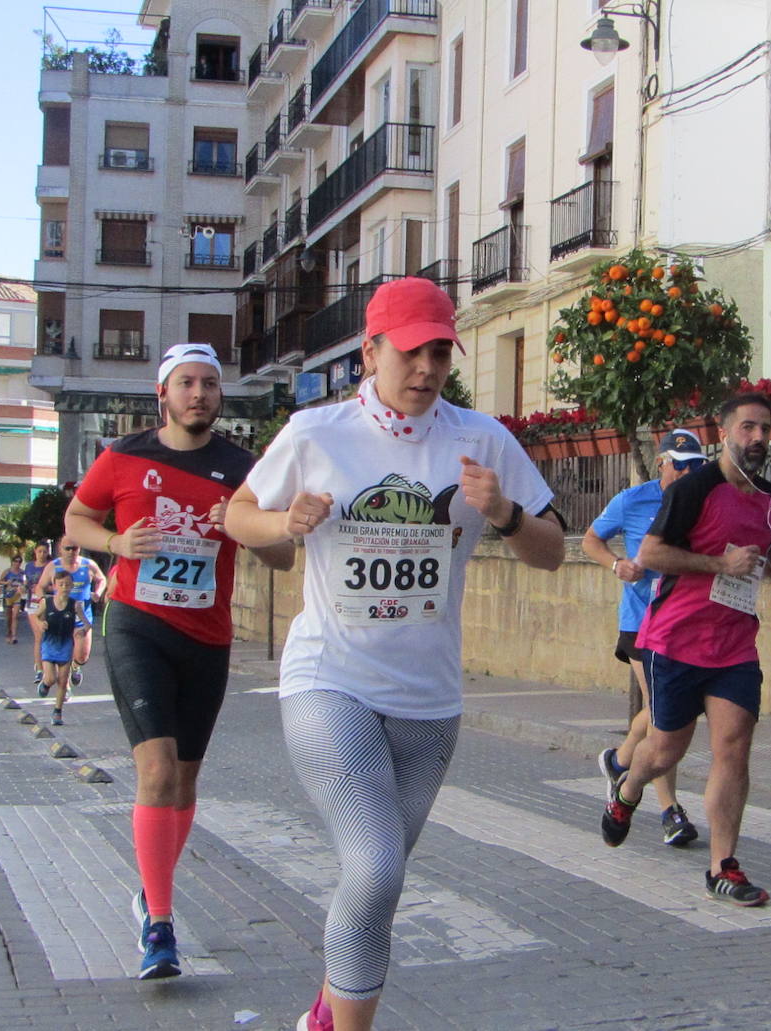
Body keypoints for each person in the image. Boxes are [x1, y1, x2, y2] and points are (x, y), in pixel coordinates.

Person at [225, 277, 566, 1031]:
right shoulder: (317, 432)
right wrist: (288, 518)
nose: (427, 368)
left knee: (375, 880)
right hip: (329, 678)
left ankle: (323, 1014)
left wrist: (505, 512)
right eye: (411, 351)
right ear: (371, 352)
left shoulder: (483, 440)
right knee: (375, 867)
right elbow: (236, 515)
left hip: (430, 702)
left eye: (440, 351)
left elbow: (553, 549)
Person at [64, 341, 294, 981]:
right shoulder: (123, 457)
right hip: (138, 625)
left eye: (210, 385)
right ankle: (160, 923)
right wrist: (115, 540)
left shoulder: (245, 470)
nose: (199, 395)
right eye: (186, 384)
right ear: (162, 394)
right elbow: (75, 521)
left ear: (220, 397)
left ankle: (150, 888)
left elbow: (282, 559)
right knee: (158, 773)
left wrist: (244, 525)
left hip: (207, 636)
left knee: (185, 782)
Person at [598, 392, 771, 909]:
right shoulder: (694, 488)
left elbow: (762, 556)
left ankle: (723, 866)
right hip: (676, 639)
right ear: (724, 434)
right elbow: (650, 554)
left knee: (734, 747)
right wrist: (720, 564)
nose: (759, 438)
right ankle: (628, 789)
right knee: (665, 750)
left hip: (735, 643)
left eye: (765, 429)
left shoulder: (768, 497)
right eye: (748, 428)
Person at [583, 429, 708, 847]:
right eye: (683, 464)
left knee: (663, 713)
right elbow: (590, 540)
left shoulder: (703, 499)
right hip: (641, 620)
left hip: (684, 619)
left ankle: (619, 761)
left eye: (698, 466)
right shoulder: (632, 500)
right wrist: (616, 564)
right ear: (663, 463)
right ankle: (670, 810)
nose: (690, 473)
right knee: (666, 713)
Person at [36, 536, 108, 689]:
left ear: (79, 548)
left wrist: (98, 592)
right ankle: (65, 686)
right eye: (67, 548)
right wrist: (44, 602)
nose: (70, 552)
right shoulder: (53, 567)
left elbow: (102, 579)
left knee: (82, 656)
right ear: (60, 549)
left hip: (82, 617)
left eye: (74, 548)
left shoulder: (88, 565)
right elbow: (41, 586)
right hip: (60, 617)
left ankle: (76, 666)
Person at [30, 569, 87, 726]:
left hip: (66, 645)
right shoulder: (46, 603)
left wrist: (83, 631)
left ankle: (57, 712)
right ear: (55, 585)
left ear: (72, 586)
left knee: (62, 681)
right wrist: (40, 623)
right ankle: (45, 683)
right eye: (61, 584)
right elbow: (35, 615)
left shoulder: (74, 605)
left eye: (67, 584)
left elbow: (86, 623)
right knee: (51, 678)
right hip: (49, 644)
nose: (64, 587)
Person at [24, 543, 52, 685]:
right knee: (39, 636)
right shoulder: (29, 566)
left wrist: (45, 587)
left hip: (48, 603)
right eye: (39, 551)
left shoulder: (51, 566)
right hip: (33, 604)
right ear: (35, 552)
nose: (42, 554)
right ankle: (39, 670)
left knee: (49, 635)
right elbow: (26, 583)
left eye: (44, 551)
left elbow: (56, 584)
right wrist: (22, 588)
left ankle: (49, 666)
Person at [1, 556, 26, 643]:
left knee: (15, 616)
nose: (17, 563)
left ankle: (14, 636)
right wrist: (7, 582)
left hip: (17, 596)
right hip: (8, 596)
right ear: (12, 562)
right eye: (16, 561)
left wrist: (23, 587)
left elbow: (25, 583)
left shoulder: (22, 573)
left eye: (19, 562)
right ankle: (9, 633)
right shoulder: (7, 572)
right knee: (9, 617)